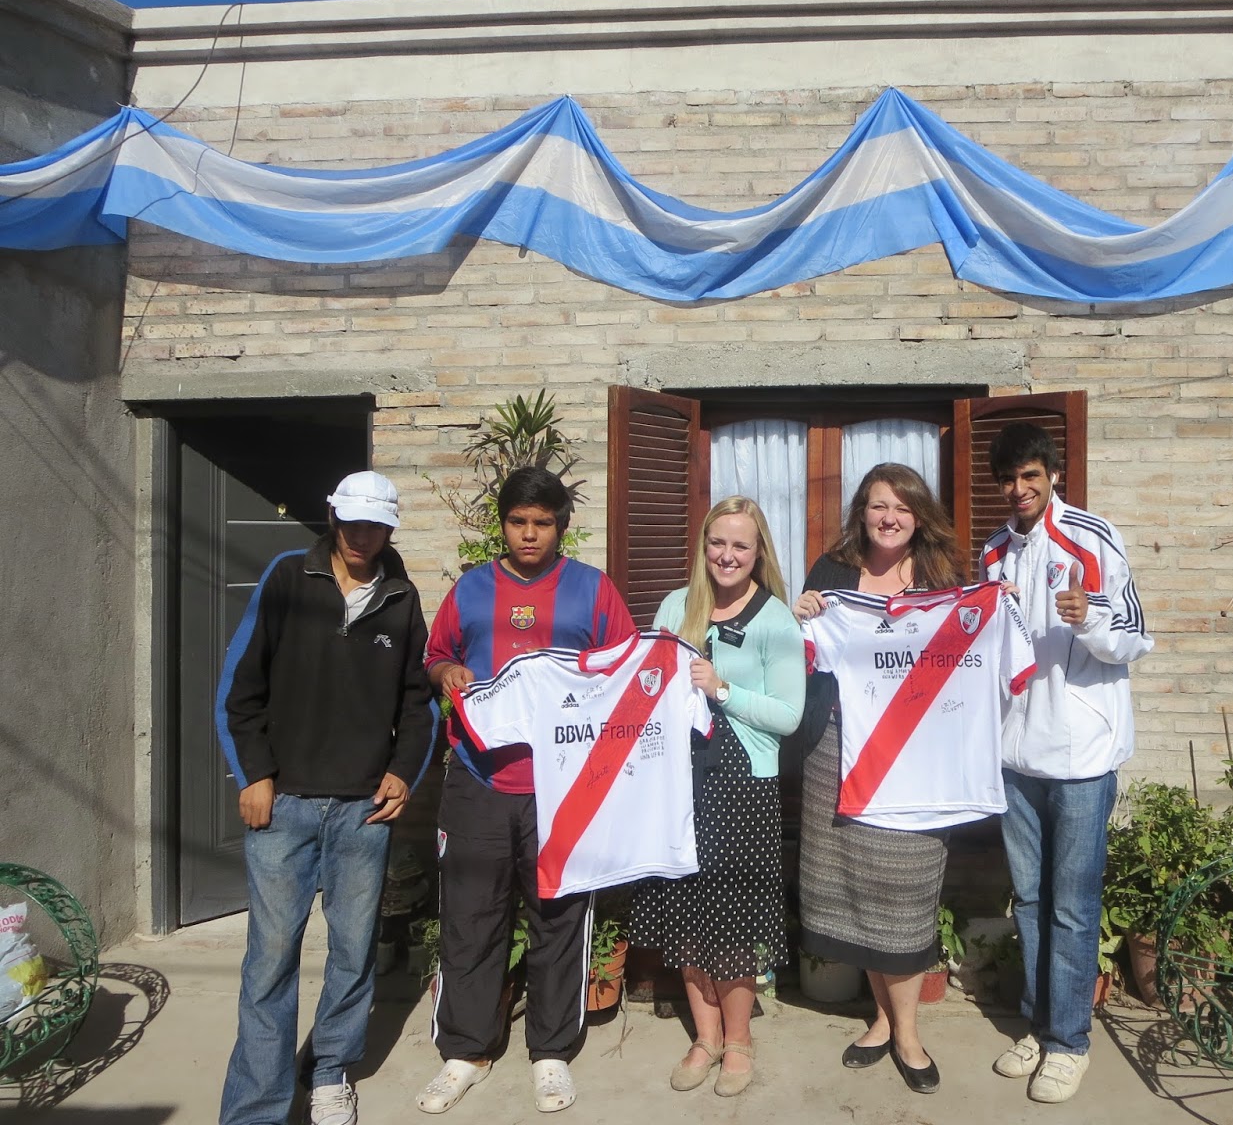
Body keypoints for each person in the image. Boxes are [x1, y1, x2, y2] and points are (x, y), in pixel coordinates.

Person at [217, 470, 437, 1125]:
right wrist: (254, 774)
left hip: (362, 810)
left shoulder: (400, 597)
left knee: (352, 950)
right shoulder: (289, 577)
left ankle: (331, 1072)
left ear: (390, 528)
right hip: (283, 805)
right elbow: (239, 687)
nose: (362, 535)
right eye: (352, 521)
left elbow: (418, 701)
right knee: (270, 959)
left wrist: (403, 772)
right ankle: (256, 1106)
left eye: (376, 524)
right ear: (334, 516)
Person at [416, 467, 634, 1116]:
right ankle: (466, 1051)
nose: (530, 533)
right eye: (518, 522)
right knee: (470, 918)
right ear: (503, 525)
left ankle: (551, 1052)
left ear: (560, 526)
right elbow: (435, 655)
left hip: (563, 789)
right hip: (479, 780)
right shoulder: (471, 589)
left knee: (558, 919)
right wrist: (446, 672)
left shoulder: (592, 591)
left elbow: (625, 671)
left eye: (542, 522)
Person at [981, 423, 1154, 1104]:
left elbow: (1135, 638)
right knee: (1029, 901)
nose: (1019, 489)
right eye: (1008, 479)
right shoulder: (993, 552)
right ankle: (1039, 1024)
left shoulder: (1093, 537)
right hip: (1016, 758)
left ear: (1052, 474)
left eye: (1030, 475)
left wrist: (1088, 618)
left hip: (1081, 757)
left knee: (1074, 909)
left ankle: (1070, 1043)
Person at [793, 462, 963, 1095]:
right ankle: (882, 1020)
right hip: (838, 750)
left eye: (902, 507)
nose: (889, 518)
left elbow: (964, 655)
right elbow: (802, 656)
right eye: (878, 506)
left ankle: (908, 1032)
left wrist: (1000, 609)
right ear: (861, 513)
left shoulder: (944, 577)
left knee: (907, 886)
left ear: (919, 515)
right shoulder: (832, 572)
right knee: (859, 883)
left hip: (914, 757)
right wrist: (800, 616)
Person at [632, 496, 805, 1098]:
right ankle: (704, 1037)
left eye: (740, 545)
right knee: (686, 908)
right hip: (679, 778)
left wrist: (723, 689)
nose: (727, 555)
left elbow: (788, 715)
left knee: (734, 916)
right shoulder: (676, 606)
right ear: (703, 546)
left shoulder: (775, 620)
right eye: (717, 543)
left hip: (742, 782)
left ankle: (738, 1041)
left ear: (758, 553)